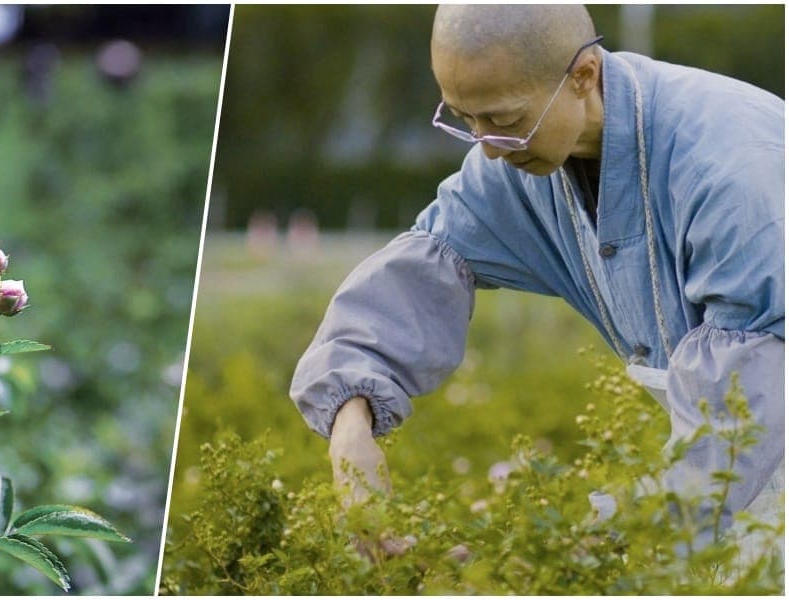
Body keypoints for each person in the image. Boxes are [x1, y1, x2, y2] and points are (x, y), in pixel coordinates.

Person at [289, 4, 784, 550]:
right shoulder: (527, 163)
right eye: (462, 118)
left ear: (583, 77)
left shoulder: (729, 173)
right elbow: (418, 270)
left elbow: (738, 425)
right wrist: (350, 433)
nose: (488, 149)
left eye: (503, 121)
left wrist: (555, 559)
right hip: (728, 479)